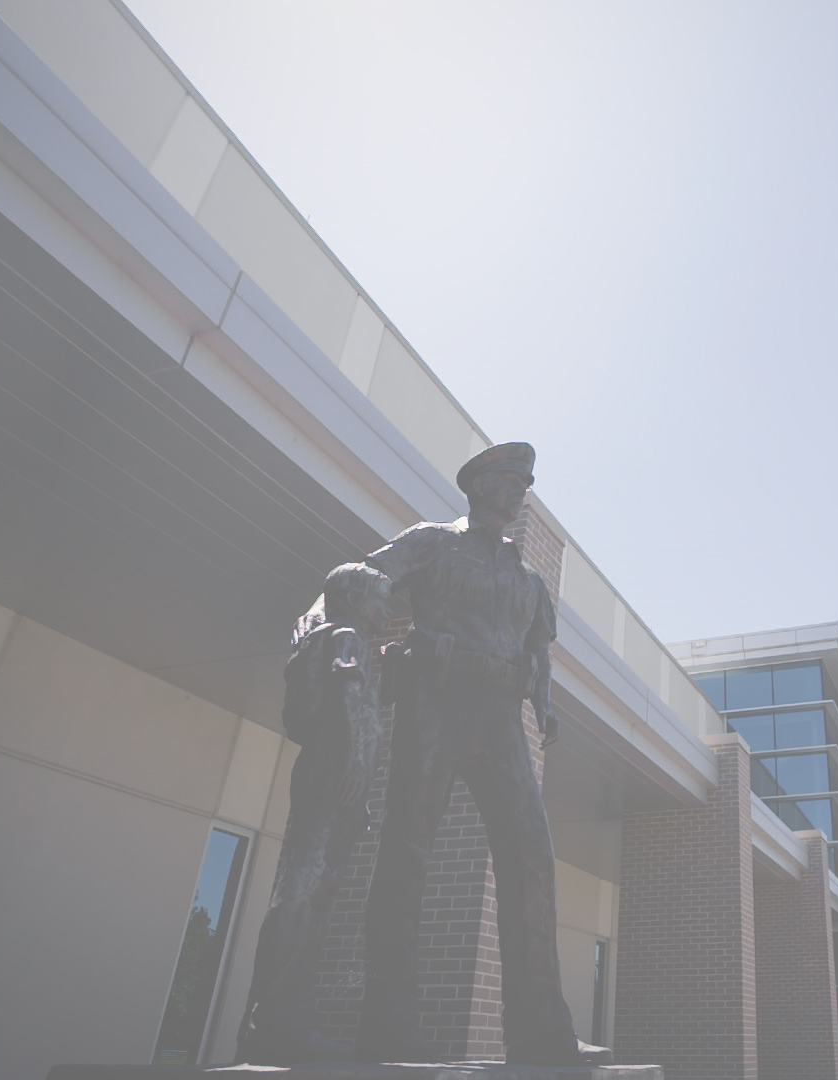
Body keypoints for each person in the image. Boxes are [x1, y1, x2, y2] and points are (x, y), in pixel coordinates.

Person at [299, 442, 608, 1067]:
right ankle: (386, 1022)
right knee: (407, 848)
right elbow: (359, 580)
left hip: (500, 712)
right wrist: (334, 630)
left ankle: (541, 1027)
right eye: (510, 480)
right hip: (436, 698)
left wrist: (542, 702)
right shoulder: (433, 541)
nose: (521, 491)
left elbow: (536, 650)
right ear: (478, 486)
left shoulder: (526, 576)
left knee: (532, 856)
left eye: (525, 482)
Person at [236, 562, 395, 1064]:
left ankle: (274, 1021)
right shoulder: (347, 637)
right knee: (306, 895)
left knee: (306, 891)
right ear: (355, 596)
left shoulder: (330, 637)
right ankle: (282, 1023)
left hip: (324, 770)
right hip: (333, 770)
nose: (387, 609)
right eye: (381, 597)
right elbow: (355, 703)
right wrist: (356, 767)